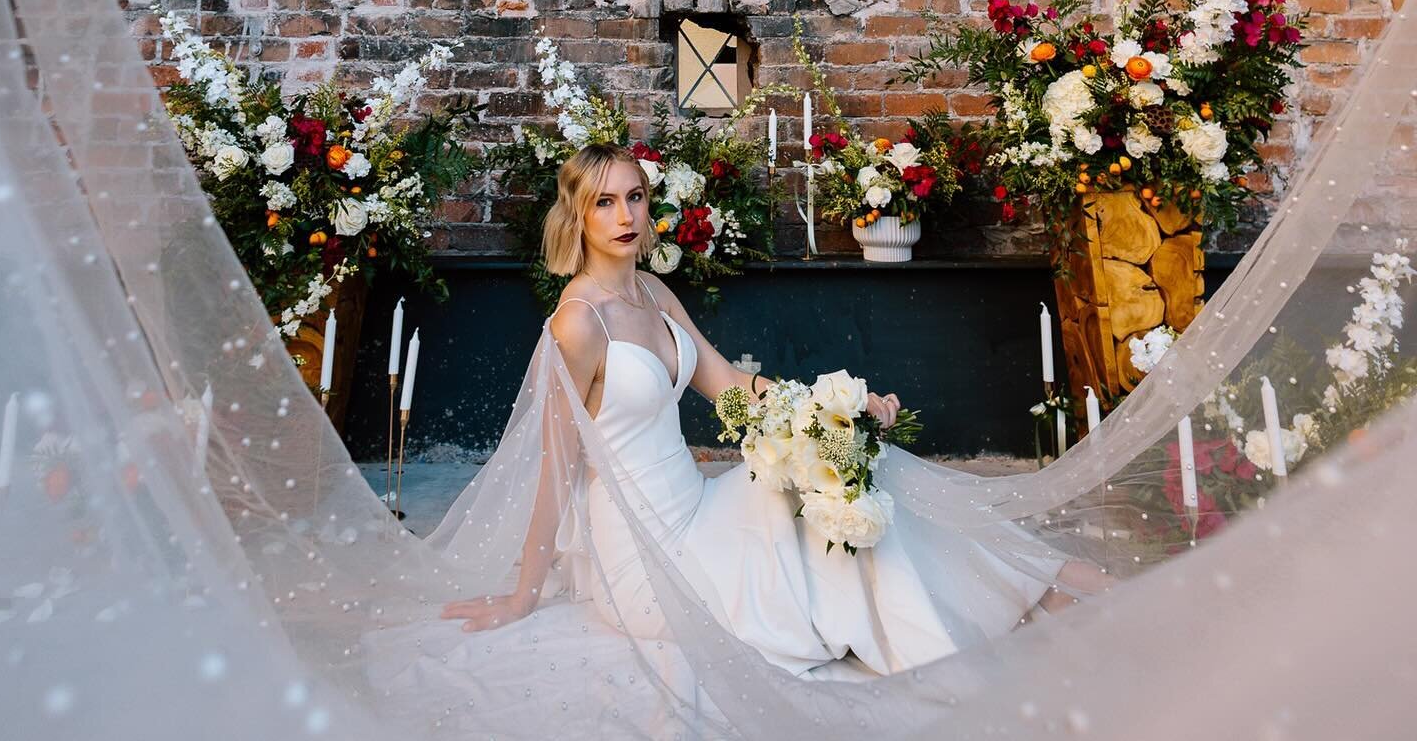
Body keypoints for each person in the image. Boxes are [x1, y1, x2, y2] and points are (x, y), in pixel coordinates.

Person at [436, 144, 1100, 679]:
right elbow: (556, 467)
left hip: (698, 508)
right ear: (578, 216)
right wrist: (524, 592)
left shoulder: (652, 290)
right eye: (604, 202)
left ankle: (1022, 583)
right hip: (646, 560)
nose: (625, 214)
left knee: (844, 468)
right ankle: (998, 606)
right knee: (816, 520)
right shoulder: (576, 325)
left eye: (634, 196)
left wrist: (834, 413)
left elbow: (730, 385)